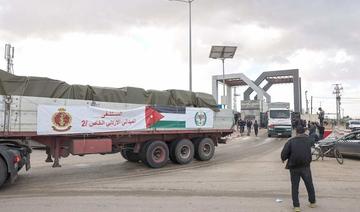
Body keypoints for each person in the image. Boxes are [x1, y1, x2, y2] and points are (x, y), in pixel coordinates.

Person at [281, 125, 316, 212]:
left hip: (294, 167)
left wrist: (283, 159)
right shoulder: (309, 140)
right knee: (309, 184)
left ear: (296, 131)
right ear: (304, 131)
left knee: (295, 186)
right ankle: (312, 203)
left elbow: (284, 153)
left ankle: (296, 206)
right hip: (305, 167)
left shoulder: (291, 141)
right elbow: (314, 140)